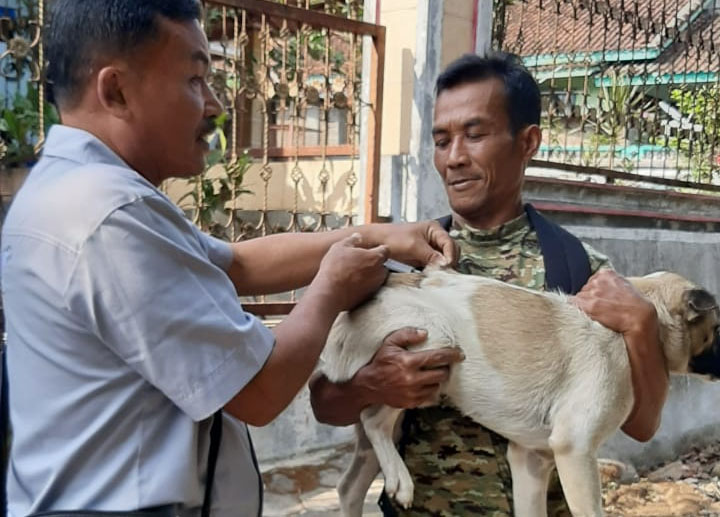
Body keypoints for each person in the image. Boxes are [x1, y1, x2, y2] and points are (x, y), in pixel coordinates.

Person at [0, 1, 465, 516]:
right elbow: (261, 392)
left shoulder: (83, 192)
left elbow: (236, 264)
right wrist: (331, 290)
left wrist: (379, 235)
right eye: (195, 80)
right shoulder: (108, 216)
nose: (216, 104)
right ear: (116, 90)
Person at [309, 52, 669, 516]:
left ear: (528, 141)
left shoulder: (580, 270)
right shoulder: (402, 264)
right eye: (441, 140)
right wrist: (371, 386)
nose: (454, 157)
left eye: (474, 134)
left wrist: (641, 325)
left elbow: (642, 424)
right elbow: (324, 401)